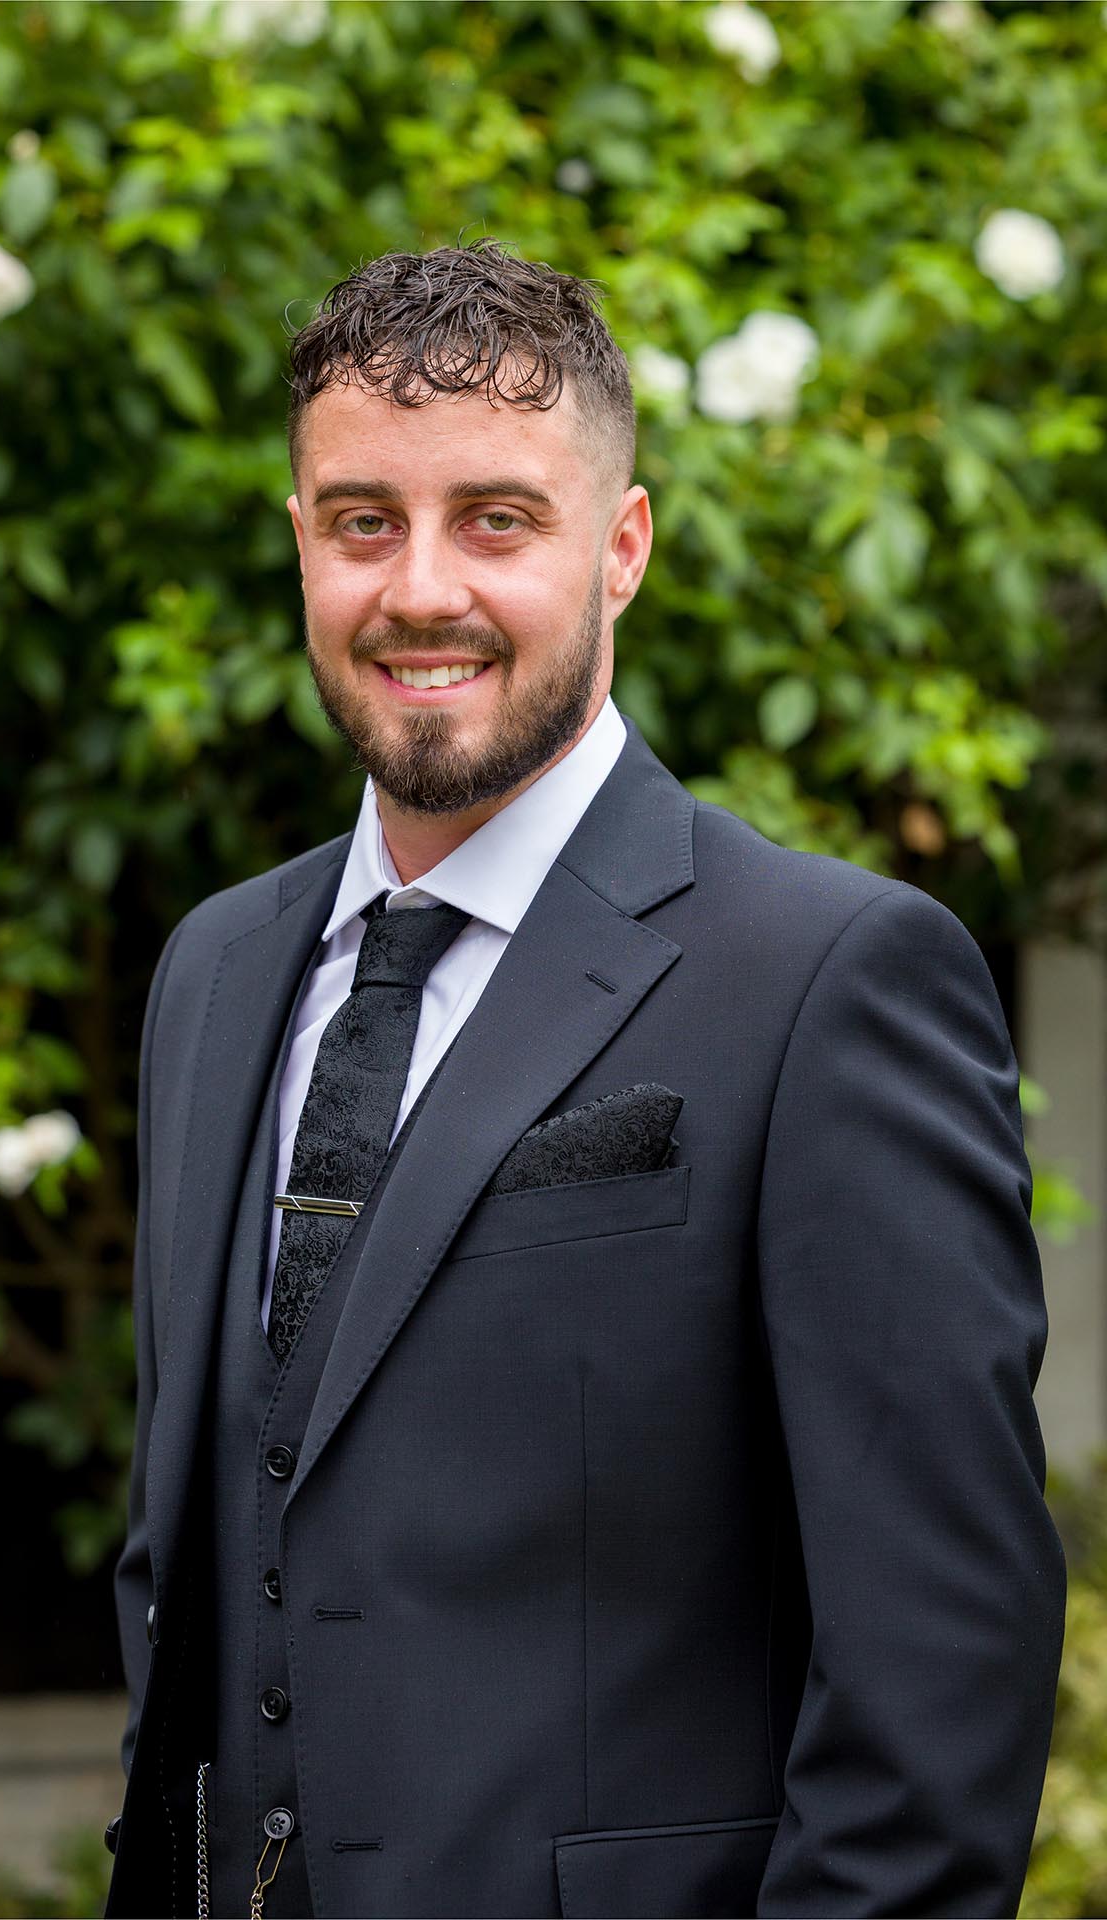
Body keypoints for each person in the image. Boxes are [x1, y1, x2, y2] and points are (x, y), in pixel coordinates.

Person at [104, 239, 1064, 1920]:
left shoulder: (830, 980)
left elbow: (940, 1682)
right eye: (360, 522)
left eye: (497, 519)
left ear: (620, 548)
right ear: (301, 547)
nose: (420, 589)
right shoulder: (214, 974)